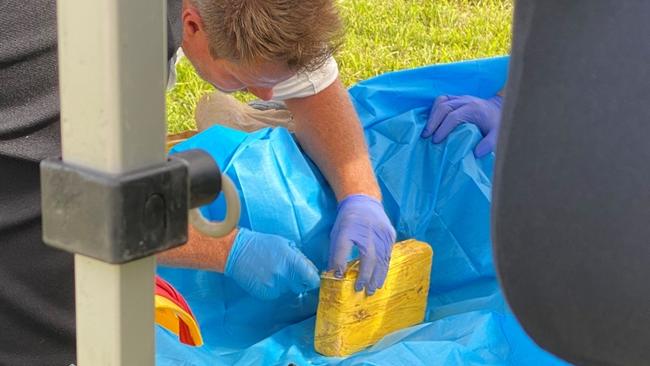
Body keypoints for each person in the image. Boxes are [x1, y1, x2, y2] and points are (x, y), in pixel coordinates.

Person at [0, 0, 396, 364]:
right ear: (191, 25)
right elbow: (77, 208)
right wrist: (229, 250)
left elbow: (312, 88)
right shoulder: (90, 47)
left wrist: (361, 194)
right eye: (249, 81)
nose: (268, 95)